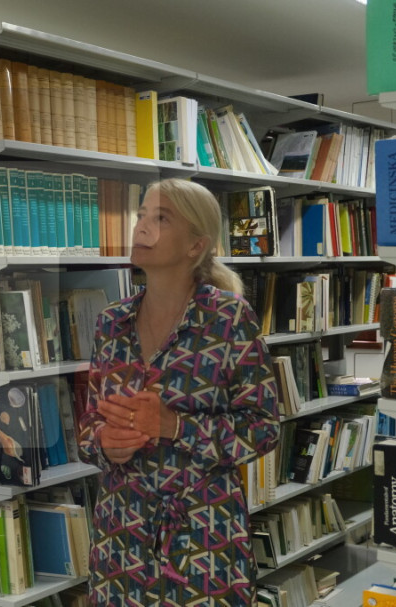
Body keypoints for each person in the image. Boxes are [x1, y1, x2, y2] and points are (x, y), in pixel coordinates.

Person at [78, 178, 280, 606]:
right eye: (141, 217)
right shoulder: (111, 322)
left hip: (202, 537)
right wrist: (103, 442)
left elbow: (263, 429)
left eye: (161, 219)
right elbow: (90, 423)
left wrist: (175, 426)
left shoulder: (228, 319)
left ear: (195, 245)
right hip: (121, 536)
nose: (141, 228)